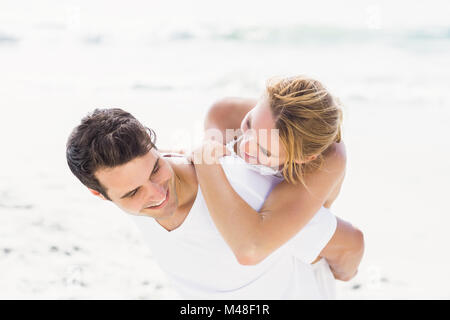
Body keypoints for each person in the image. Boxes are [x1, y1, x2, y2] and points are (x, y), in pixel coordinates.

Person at [66, 107, 363, 299]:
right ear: (101, 195)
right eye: (132, 193)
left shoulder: (242, 187)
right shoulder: (131, 179)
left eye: (156, 169)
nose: (156, 194)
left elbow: (351, 245)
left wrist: (339, 274)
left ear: (156, 150)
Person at [193, 76, 364, 284]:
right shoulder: (224, 114)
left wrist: (205, 159)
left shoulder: (328, 159)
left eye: (264, 151)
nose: (245, 145)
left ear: (303, 159)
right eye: (249, 124)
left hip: (300, 235)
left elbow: (251, 249)